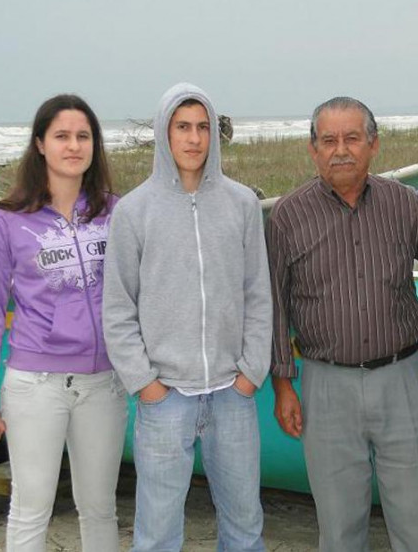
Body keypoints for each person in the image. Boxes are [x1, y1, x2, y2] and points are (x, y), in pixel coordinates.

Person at [267, 96, 418, 552]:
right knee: (339, 525)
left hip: (402, 377)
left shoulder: (405, 204)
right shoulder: (287, 216)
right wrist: (284, 384)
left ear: (373, 144)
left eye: (351, 138)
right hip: (326, 386)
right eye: (328, 140)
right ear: (313, 149)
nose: (340, 150)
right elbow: (274, 306)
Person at [103, 82, 271, 552]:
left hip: (232, 395)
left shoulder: (241, 204)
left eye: (202, 127)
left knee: (243, 525)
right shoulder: (134, 211)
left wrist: (250, 374)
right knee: (156, 532)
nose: (194, 139)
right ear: (164, 133)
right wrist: (146, 384)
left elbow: (258, 292)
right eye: (182, 127)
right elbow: (117, 308)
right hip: (166, 397)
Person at [0, 94, 126, 552]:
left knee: (100, 508)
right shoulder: (7, 221)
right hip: (35, 385)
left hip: (104, 384)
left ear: (94, 144)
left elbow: (141, 293)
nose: (73, 146)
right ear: (39, 144)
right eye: (61, 136)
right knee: (31, 508)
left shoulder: (117, 212)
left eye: (83, 136)